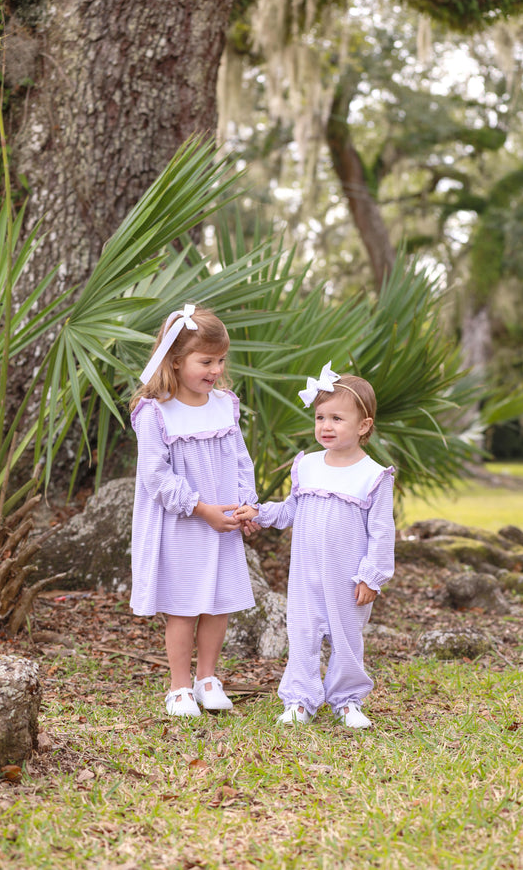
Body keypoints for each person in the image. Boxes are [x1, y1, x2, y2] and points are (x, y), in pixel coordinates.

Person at [235, 362, 395, 729]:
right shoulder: (306, 465)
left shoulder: (373, 475)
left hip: (348, 576)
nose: (325, 426)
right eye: (320, 417)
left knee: (347, 637)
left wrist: (373, 576)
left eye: (337, 418)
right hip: (306, 573)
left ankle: (347, 699)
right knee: (303, 633)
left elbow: (383, 531)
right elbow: (293, 508)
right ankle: (300, 699)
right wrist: (259, 514)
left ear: (364, 425)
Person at [129, 304, 257, 717]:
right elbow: (156, 476)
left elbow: (240, 459)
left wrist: (245, 504)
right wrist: (202, 509)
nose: (216, 370)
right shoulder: (155, 412)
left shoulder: (225, 405)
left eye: (221, 360)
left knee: (217, 603)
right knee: (183, 606)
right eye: (206, 361)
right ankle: (179, 687)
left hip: (222, 523)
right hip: (184, 524)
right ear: (176, 360)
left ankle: (207, 678)